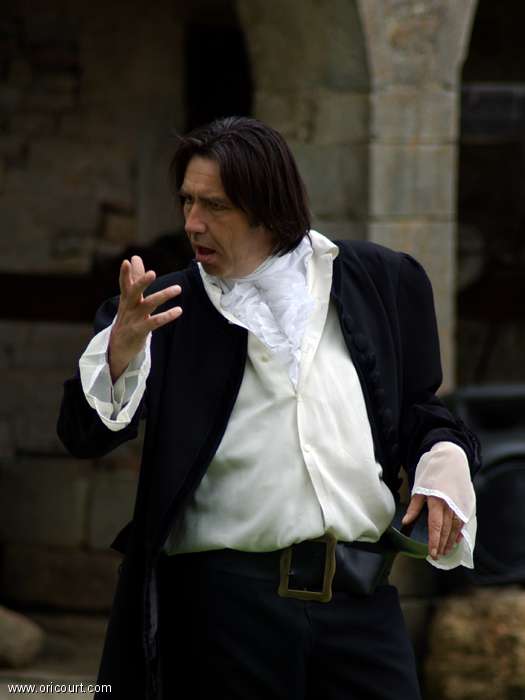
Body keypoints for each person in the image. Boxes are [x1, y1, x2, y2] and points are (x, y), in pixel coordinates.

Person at [58, 116, 480, 700]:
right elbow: (82, 435)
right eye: (186, 201)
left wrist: (445, 456)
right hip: (224, 617)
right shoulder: (161, 310)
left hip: (362, 608)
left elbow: (419, 411)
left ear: (270, 208)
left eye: (215, 206)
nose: (193, 223)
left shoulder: (380, 282)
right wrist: (119, 355)